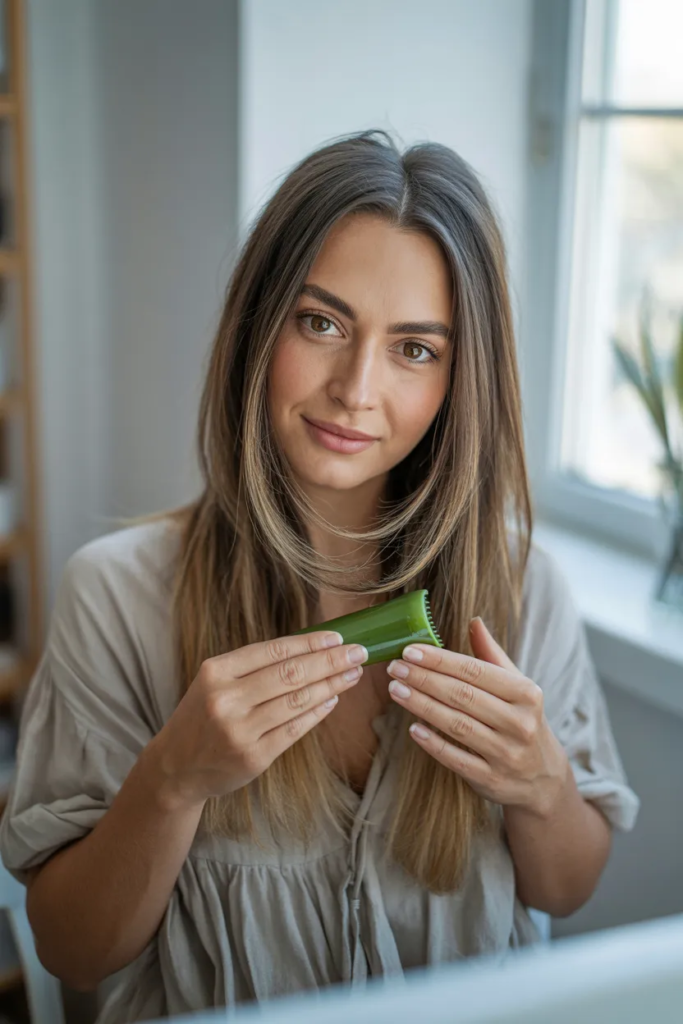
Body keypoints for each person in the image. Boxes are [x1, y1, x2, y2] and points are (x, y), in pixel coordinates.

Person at [0, 129, 639, 1022]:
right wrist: (172, 782)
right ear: (261, 325)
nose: (354, 388)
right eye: (322, 322)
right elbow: (71, 949)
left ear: (461, 381)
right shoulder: (115, 596)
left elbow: (563, 891)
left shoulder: (526, 585)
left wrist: (539, 785)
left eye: (415, 349)